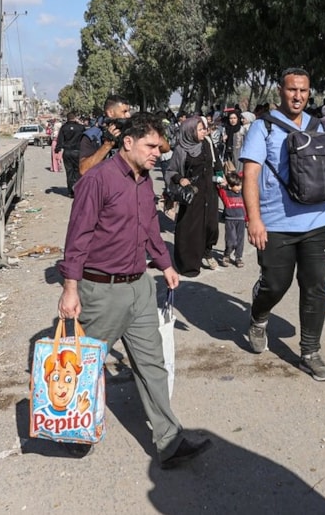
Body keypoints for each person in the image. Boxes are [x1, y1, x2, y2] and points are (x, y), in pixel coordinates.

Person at [57, 113, 211, 469]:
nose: (158, 152)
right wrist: (70, 289)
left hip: (140, 287)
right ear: (129, 143)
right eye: (151, 146)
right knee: (86, 366)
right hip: (100, 291)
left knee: (152, 365)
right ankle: (75, 430)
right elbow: (76, 239)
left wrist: (165, 264)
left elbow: (150, 231)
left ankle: (169, 442)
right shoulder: (98, 181)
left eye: (160, 147)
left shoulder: (144, 182)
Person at [240, 67, 325, 382]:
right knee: (276, 283)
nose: (297, 96)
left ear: (308, 93)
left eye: (303, 90)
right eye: (291, 90)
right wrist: (253, 219)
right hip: (276, 225)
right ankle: (259, 316)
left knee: (315, 287)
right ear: (280, 92)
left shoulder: (319, 127)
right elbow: (250, 176)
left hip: (317, 221)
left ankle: (310, 351)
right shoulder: (263, 128)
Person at [166, 117, 221, 274]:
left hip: (209, 192)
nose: (204, 131)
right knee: (190, 229)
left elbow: (216, 162)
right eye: (200, 129)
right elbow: (171, 171)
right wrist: (180, 179)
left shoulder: (207, 143)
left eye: (204, 128)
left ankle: (206, 250)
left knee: (211, 226)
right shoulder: (181, 149)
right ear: (190, 131)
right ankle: (188, 264)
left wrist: (220, 176)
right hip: (191, 195)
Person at [78, 95, 132, 177]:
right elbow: (84, 170)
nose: (128, 115)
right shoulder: (92, 136)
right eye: (124, 111)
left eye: (128, 111)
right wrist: (107, 145)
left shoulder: (131, 132)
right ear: (110, 113)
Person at [218, 171, 247, 268]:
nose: (239, 187)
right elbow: (218, 187)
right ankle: (227, 254)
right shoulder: (225, 193)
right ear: (230, 186)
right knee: (231, 240)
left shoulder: (242, 193)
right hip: (230, 220)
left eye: (240, 185)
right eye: (237, 185)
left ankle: (238, 257)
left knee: (240, 240)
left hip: (241, 220)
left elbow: (244, 174)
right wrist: (222, 181)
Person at [55, 112, 87, 197]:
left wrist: (57, 150)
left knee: (69, 172)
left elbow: (60, 140)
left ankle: (70, 192)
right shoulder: (80, 127)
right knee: (78, 171)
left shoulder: (64, 127)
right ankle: (78, 190)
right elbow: (85, 138)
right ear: (75, 117)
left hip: (67, 152)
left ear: (67, 118)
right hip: (77, 152)